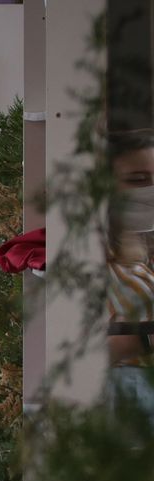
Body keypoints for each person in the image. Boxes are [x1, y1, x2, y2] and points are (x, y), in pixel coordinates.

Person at [107, 129, 154, 413]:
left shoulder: (132, 256)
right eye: (138, 180)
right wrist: (141, 339)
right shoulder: (86, 258)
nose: (149, 191)